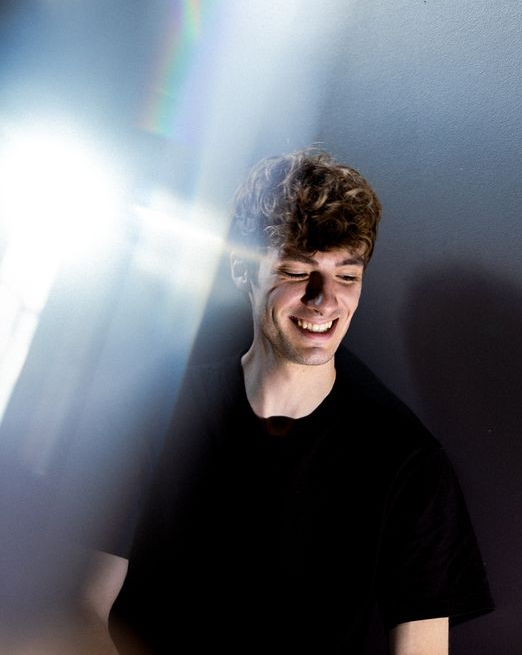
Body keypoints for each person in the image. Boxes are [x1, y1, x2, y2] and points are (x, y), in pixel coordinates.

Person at [59, 147, 494, 653]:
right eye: (296, 271)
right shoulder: (155, 410)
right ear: (243, 270)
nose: (324, 300)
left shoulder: (409, 462)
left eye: (347, 276)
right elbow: (85, 606)